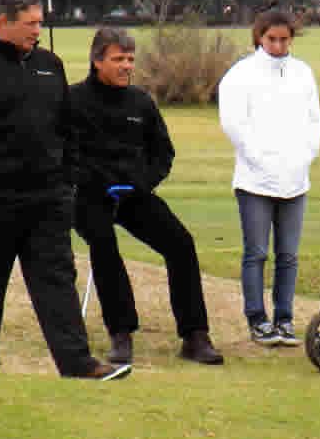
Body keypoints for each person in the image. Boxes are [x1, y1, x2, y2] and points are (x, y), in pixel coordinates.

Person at [0, 0, 129, 380]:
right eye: (30, 23)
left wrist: (68, 180)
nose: (37, 30)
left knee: (57, 283)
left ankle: (78, 364)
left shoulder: (52, 64)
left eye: (40, 23)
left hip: (48, 198)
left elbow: (67, 129)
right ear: (5, 22)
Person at [70, 27, 224, 366]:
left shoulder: (141, 101)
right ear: (97, 61)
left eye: (130, 59)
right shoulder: (73, 100)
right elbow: (64, 155)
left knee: (181, 244)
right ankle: (120, 333)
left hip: (134, 193)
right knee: (103, 243)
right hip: (89, 196)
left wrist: (141, 183)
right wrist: (93, 181)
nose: (126, 66)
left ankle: (195, 336)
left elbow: (162, 154)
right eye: (118, 59)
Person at [218, 9, 320, 345]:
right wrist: (261, 162)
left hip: (295, 180)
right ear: (260, 38)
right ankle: (257, 319)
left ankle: (284, 319)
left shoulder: (303, 74)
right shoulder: (241, 75)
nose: (278, 45)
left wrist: (304, 159)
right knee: (257, 252)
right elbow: (235, 125)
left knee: (288, 255)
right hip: (254, 181)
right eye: (271, 39)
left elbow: (313, 122)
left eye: (284, 39)